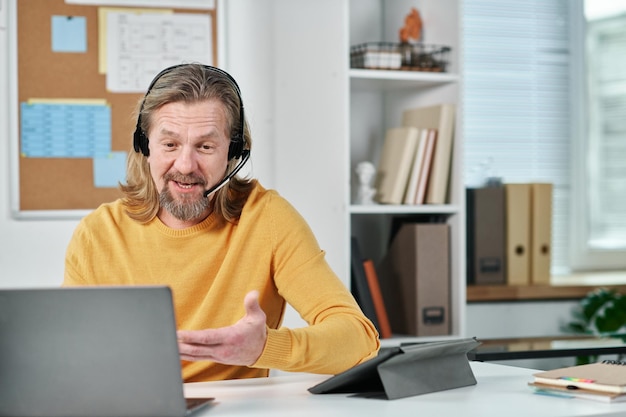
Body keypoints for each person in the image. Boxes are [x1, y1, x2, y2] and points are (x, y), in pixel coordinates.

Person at [63, 63, 380, 382]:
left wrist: (265, 347)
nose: (185, 165)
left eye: (205, 147)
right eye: (170, 144)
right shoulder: (99, 233)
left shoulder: (267, 219)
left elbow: (359, 339)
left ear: (233, 153)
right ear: (145, 147)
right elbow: (67, 353)